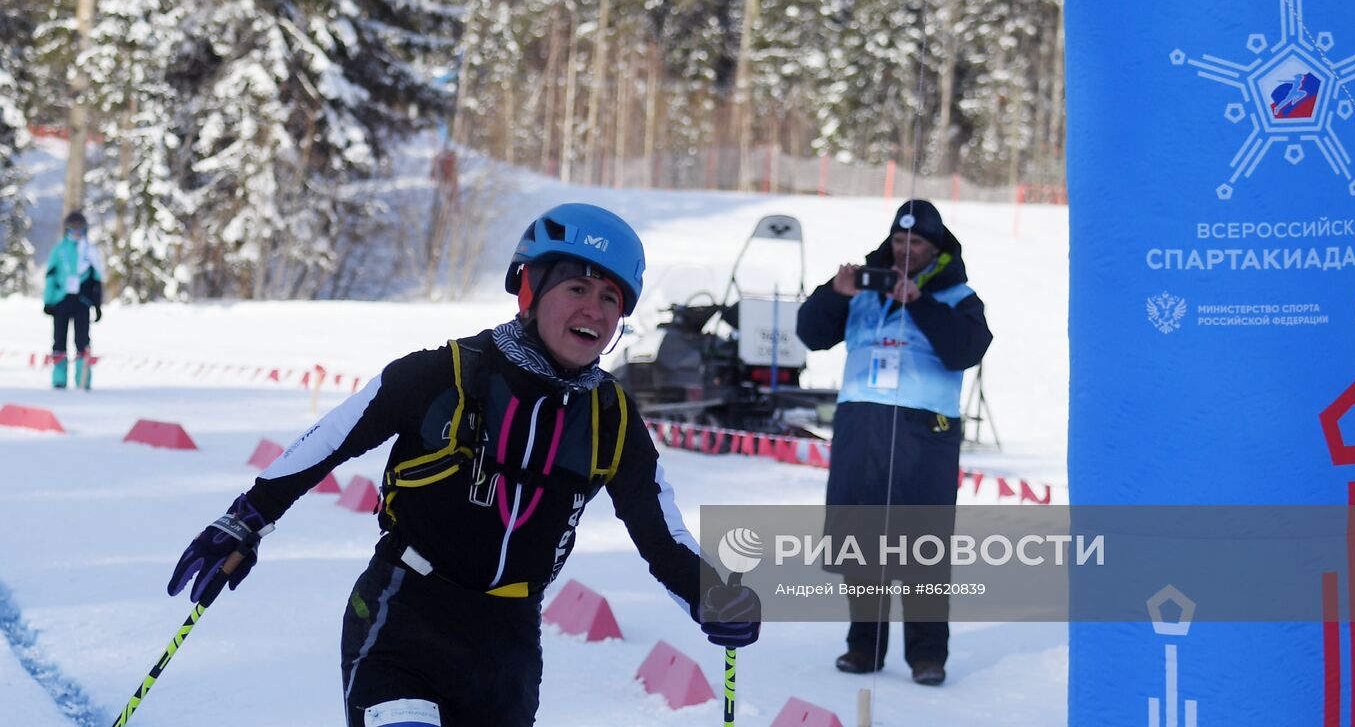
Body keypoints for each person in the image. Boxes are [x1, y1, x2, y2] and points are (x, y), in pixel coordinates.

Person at [167, 203, 761, 727]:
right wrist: (245, 520)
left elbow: (661, 532)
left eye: (612, 298)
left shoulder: (612, 417)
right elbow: (327, 442)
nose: (596, 310)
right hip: (404, 613)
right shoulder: (442, 375)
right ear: (530, 288)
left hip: (507, 647)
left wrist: (714, 596)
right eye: (578, 288)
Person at [795, 198, 992, 687]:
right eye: (900, 241)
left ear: (936, 248)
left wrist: (918, 304)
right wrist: (834, 294)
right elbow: (811, 334)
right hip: (862, 429)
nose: (906, 251)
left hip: (926, 435)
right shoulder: (863, 288)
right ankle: (864, 648)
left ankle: (928, 656)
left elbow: (965, 350)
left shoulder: (958, 296)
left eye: (917, 243)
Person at [42, 211, 104, 389]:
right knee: (59, 340)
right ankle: (59, 379)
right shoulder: (59, 250)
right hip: (62, 301)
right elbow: (51, 277)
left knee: (82, 341)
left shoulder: (90, 252)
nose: (76, 232)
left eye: (80, 228)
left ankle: (83, 379)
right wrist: (48, 301)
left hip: (82, 302)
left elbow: (97, 281)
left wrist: (97, 305)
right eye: (73, 228)